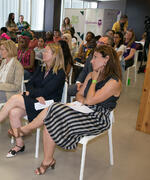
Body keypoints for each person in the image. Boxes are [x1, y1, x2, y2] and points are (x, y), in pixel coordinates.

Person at [8, 45, 122, 175]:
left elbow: (89, 100)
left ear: (106, 59)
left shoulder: (114, 82)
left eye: (95, 57)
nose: (91, 61)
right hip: (82, 108)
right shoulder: (90, 74)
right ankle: (48, 159)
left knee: (54, 109)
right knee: (51, 118)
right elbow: (80, 95)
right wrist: (85, 99)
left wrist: (94, 81)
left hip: (97, 117)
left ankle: (26, 130)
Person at [0, 43, 66, 158]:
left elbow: (46, 91)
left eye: (46, 51)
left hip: (47, 107)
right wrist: (32, 93)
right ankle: (19, 145)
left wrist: (30, 93)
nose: (43, 53)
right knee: (13, 112)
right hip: (36, 102)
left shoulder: (60, 73)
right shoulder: (42, 68)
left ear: (55, 55)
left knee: (15, 98)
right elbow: (30, 84)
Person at [68, 35, 113, 100]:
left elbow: (104, 82)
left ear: (109, 46)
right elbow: (84, 71)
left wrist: (87, 85)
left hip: (97, 89)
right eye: (98, 42)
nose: (98, 44)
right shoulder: (92, 55)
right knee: (65, 90)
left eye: (102, 43)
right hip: (84, 84)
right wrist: (79, 82)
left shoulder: (110, 62)